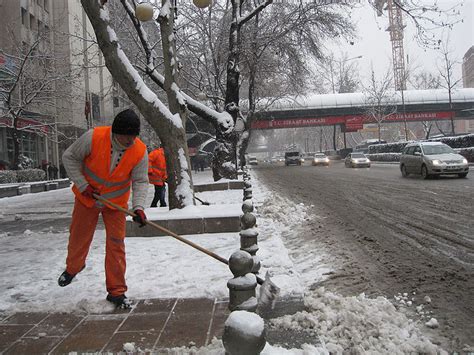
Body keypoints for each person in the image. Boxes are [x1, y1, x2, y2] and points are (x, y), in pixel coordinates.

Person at [58, 109, 149, 309]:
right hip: (87, 197)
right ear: (115, 132)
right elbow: (69, 157)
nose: (130, 140)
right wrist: (82, 184)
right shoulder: (93, 137)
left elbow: (141, 181)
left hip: (116, 204)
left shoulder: (140, 151)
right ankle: (73, 268)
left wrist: (139, 208)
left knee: (116, 245)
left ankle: (116, 291)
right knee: (79, 237)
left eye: (134, 135)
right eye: (127, 135)